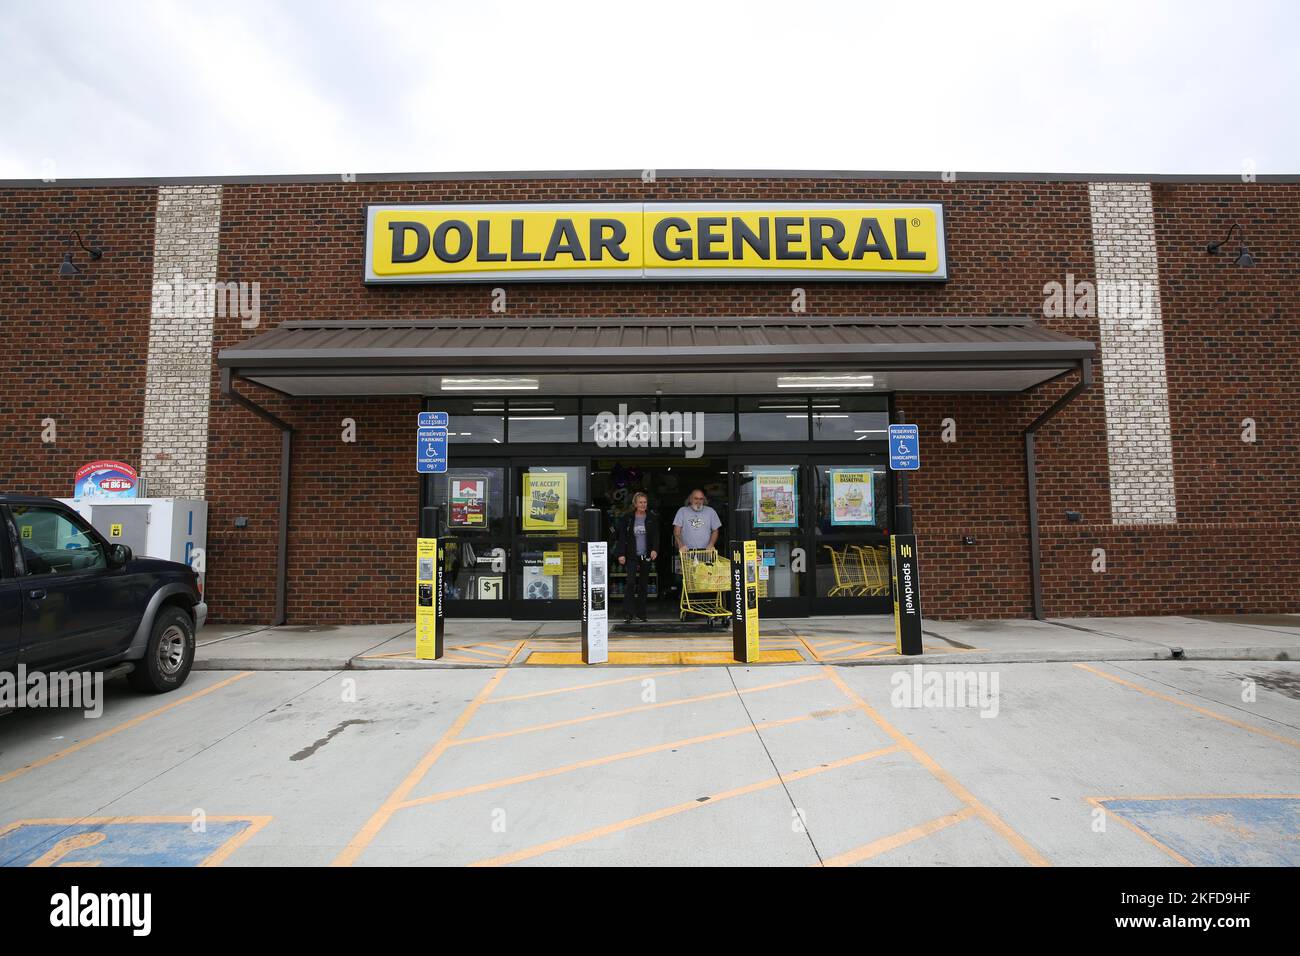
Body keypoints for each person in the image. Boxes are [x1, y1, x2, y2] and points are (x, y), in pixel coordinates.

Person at [613, 491, 658, 623]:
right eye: (640, 502)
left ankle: (641, 613)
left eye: (645, 502)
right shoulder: (628, 518)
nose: (643, 504)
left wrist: (655, 549)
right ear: (635, 504)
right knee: (630, 583)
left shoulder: (651, 518)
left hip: (646, 555)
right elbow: (622, 536)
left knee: (643, 584)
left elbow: (656, 536)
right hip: (631, 555)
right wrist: (621, 553)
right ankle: (628, 613)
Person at [673, 488, 721, 553]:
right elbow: (677, 532)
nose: (698, 501)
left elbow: (715, 531)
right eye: (696, 498)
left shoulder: (711, 511)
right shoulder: (682, 511)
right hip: (686, 552)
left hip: (706, 552)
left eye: (701, 499)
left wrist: (711, 544)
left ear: (704, 500)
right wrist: (681, 545)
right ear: (690, 499)